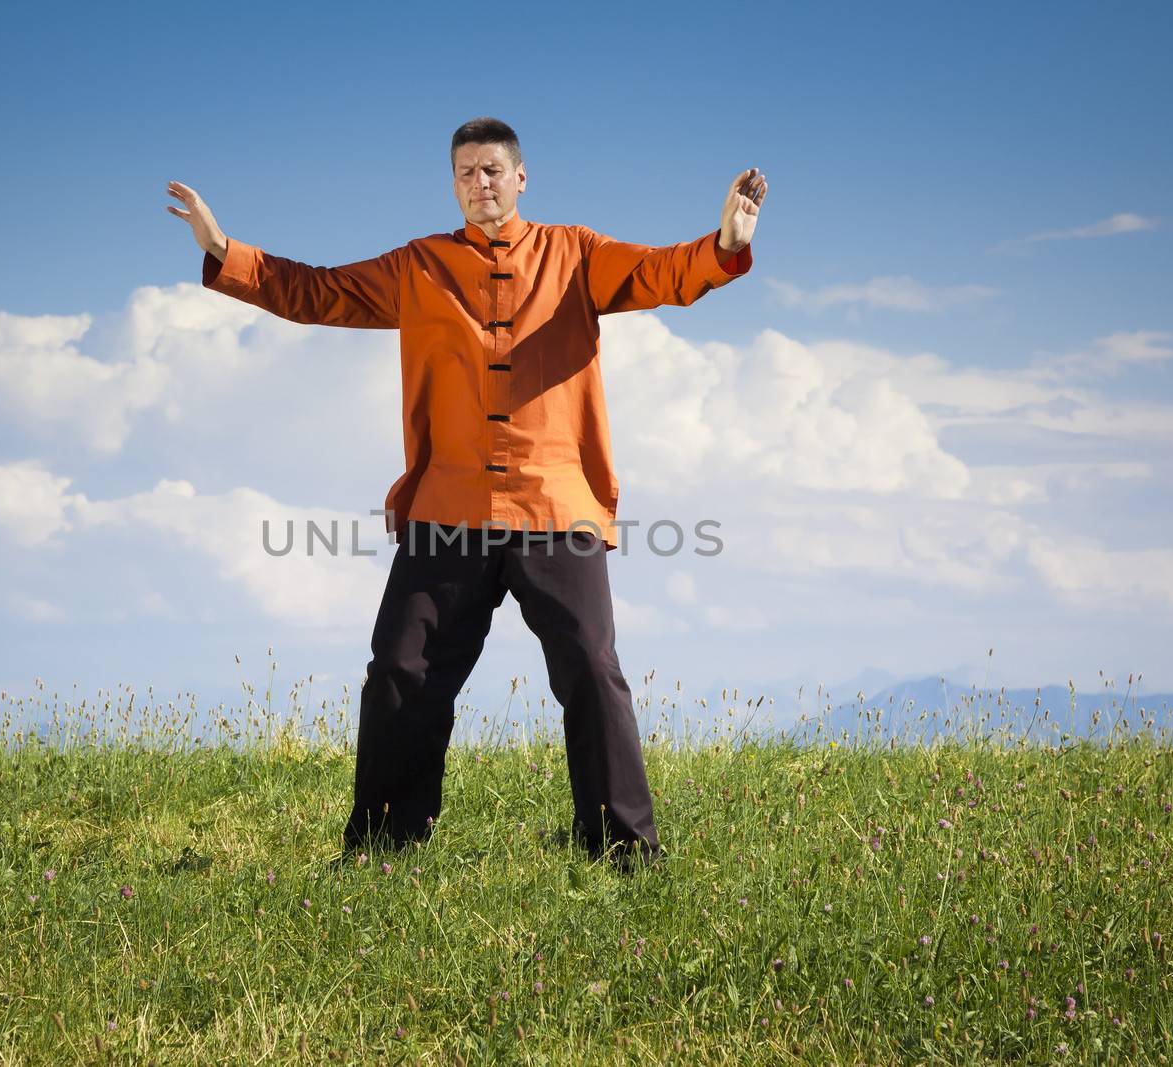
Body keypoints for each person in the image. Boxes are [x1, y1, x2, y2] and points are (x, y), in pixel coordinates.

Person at [167, 117, 765, 871]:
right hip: (446, 512)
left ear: (521, 178)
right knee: (400, 667)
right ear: (453, 185)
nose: (479, 184)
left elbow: (662, 274)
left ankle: (622, 848)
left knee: (589, 662)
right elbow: (318, 292)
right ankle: (384, 846)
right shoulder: (417, 266)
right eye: (464, 174)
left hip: (555, 504)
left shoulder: (575, 252)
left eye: (491, 171)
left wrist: (725, 247)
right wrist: (227, 252)